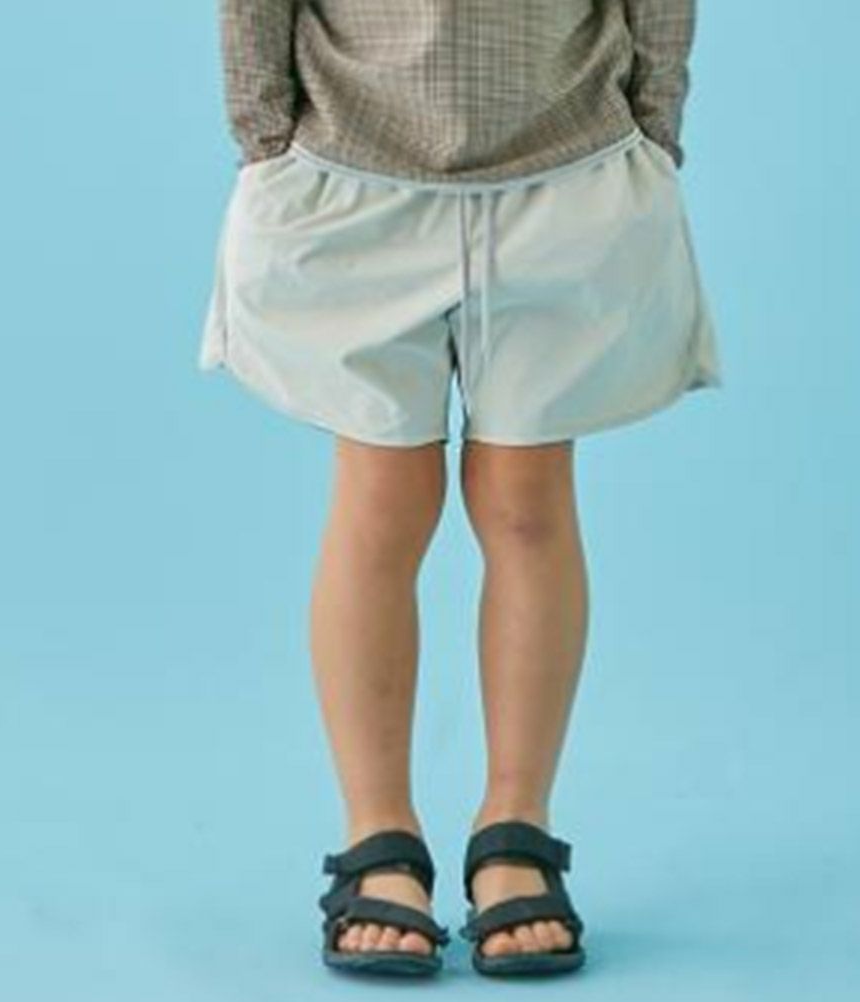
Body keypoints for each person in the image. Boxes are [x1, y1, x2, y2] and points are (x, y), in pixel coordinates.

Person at [198, 0, 723, 979]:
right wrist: (264, 135)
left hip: (568, 166)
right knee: (381, 497)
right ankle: (378, 834)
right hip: (352, 164)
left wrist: (655, 124)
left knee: (527, 499)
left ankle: (516, 828)